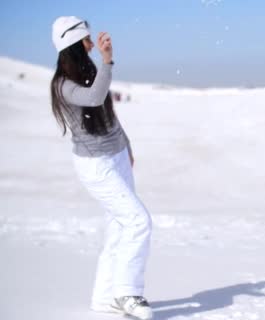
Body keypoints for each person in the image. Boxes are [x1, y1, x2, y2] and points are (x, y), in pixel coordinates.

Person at [50, 16, 153, 320]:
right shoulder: (63, 85)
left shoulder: (88, 71)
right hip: (96, 166)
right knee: (138, 222)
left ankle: (104, 298)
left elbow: (109, 114)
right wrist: (109, 61)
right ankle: (127, 293)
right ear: (72, 45)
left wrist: (127, 146)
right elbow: (94, 98)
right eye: (86, 40)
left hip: (117, 155)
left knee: (120, 227)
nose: (92, 44)